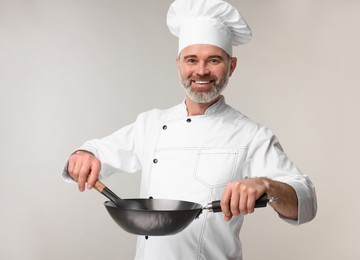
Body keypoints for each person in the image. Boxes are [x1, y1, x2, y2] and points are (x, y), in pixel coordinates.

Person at [62, 0, 317, 259]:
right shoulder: (150, 124)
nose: (201, 71)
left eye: (214, 60)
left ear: (232, 66)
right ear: (179, 64)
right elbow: (93, 153)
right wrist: (83, 155)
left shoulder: (251, 135)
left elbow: (305, 202)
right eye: (191, 60)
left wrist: (266, 185)